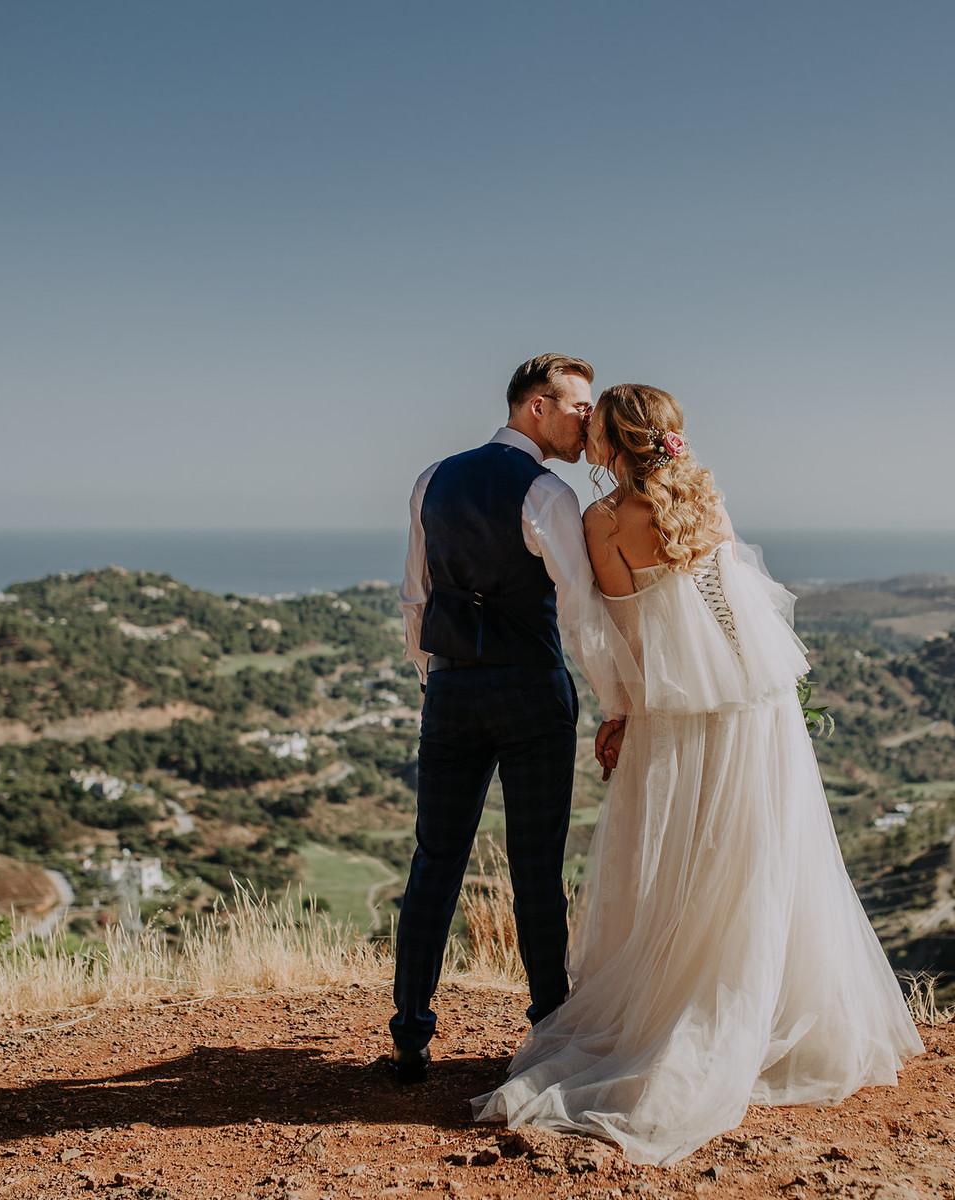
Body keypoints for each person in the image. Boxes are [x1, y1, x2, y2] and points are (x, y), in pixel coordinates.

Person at [471, 383, 925, 1165]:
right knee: (758, 854)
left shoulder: (604, 520)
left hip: (678, 712)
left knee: (680, 858)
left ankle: (681, 1017)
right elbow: (734, 610)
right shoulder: (704, 499)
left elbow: (625, 636)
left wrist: (619, 715)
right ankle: (767, 1011)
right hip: (759, 703)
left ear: (613, 444)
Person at [389, 353, 631, 1083]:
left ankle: (409, 1033)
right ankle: (550, 1032)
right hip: (530, 694)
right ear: (536, 407)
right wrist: (615, 705)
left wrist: (441, 676)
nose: (587, 420)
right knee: (535, 869)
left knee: (434, 860)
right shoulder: (547, 493)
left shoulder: (432, 479)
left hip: (454, 695)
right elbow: (583, 610)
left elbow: (415, 599)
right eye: (578, 407)